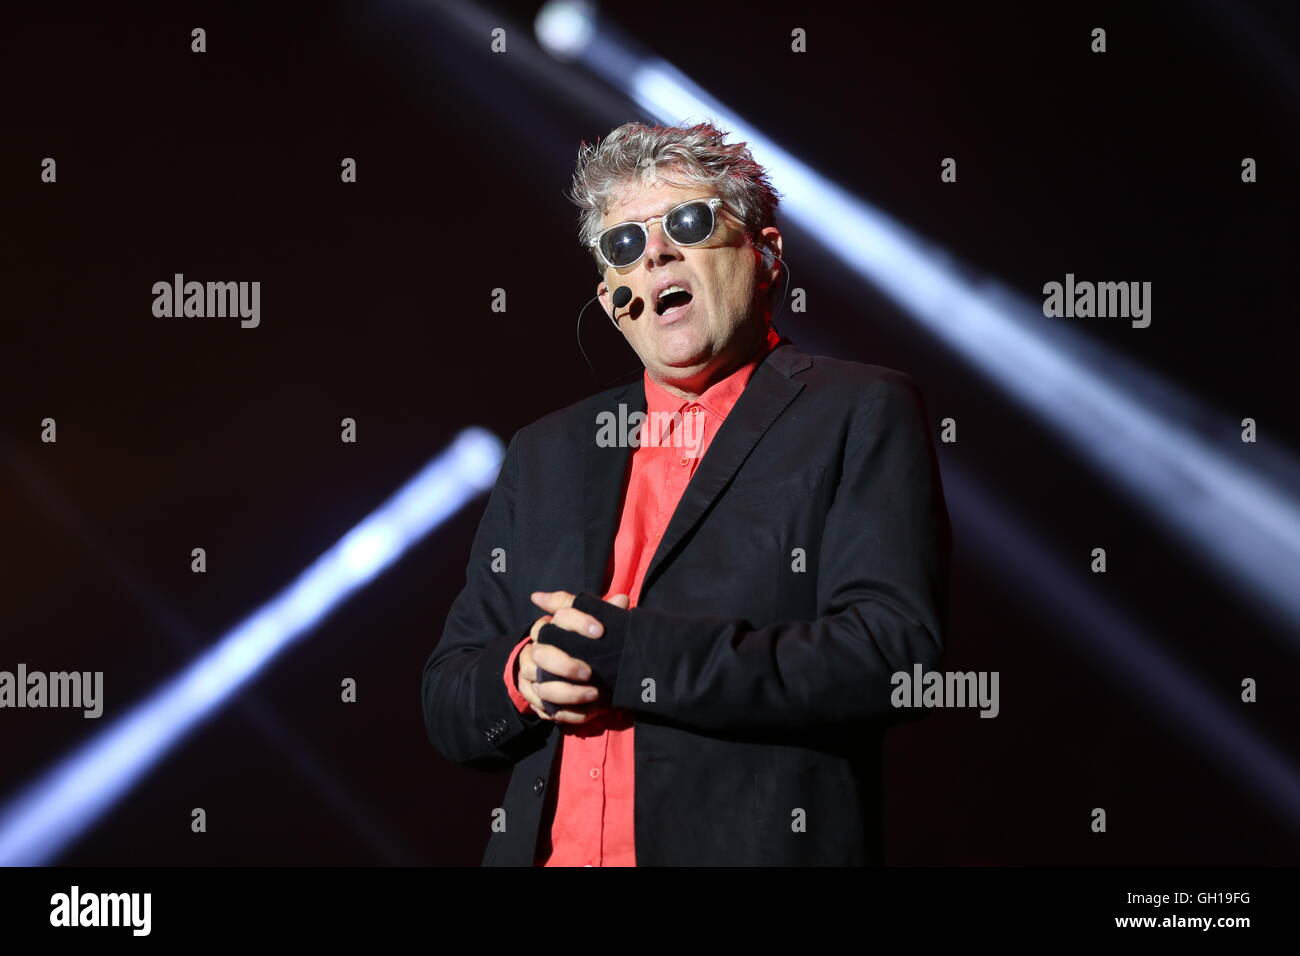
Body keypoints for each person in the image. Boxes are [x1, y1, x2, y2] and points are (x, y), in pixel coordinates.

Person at [421, 120, 951, 866]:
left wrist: (639, 656)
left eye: (689, 222)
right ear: (612, 300)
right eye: (626, 244)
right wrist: (524, 679)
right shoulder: (545, 451)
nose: (657, 252)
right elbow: (448, 696)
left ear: (765, 253)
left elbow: (896, 660)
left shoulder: (858, 412)